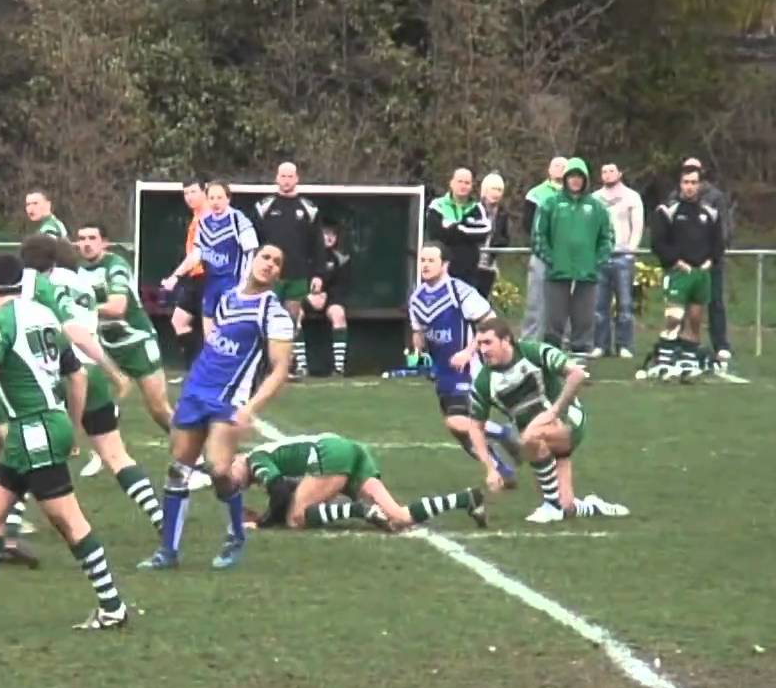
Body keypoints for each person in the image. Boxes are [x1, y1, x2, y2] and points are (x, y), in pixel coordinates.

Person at [0, 253, 129, 630]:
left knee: (69, 522)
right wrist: (73, 427)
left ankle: (113, 607)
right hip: (38, 428)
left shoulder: (0, 321)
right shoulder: (44, 315)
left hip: (33, 431)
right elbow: (76, 377)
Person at [140, 244, 293, 571]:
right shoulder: (228, 297)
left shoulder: (273, 312)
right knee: (178, 469)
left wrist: (251, 407)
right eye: (265, 257)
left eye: (277, 263)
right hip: (197, 389)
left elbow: (280, 369)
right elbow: (214, 342)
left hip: (229, 397)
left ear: (279, 274)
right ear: (253, 260)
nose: (269, 264)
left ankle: (236, 535)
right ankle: (168, 552)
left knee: (218, 469)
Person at [23, 236, 164, 528]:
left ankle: (5, 522)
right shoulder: (83, 285)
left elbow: (69, 331)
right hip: (93, 372)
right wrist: (112, 371)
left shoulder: (33, 284)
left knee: (25, 452)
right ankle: (160, 517)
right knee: (115, 454)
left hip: (52, 374)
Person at [466, 317, 629, 523]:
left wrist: (554, 411)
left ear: (506, 340)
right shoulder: (483, 381)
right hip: (540, 439)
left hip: (568, 420)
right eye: (479, 344)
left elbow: (577, 374)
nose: (483, 349)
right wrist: (490, 469)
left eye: (488, 342)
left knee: (529, 436)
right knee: (567, 506)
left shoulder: (532, 352)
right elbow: (475, 427)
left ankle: (551, 505)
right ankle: (588, 505)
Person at [408, 243, 519, 485]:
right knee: (461, 434)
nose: (425, 265)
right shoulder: (416, 298)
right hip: (443, 374)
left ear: (445, 265)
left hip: (467, 371)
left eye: (430, 260)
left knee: (457, 421)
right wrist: (417, 351)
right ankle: (501, 471)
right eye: (422, 260)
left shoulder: (460, 292)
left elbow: (490, 322)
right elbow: (419, 332)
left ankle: (504, 434)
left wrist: (469, 353)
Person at [234, 433, 486, 532]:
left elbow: (279, 491)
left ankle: (358, 510)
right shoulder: (264, 461)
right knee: (398, 516)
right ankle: (466, 499)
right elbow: (290, 492)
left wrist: (263, 522)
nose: (232, 482)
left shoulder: (255, 458)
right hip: (349, 450)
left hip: (330, 452)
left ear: (236, 459)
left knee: (295, 519)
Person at [76, 223, 174, 433]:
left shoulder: (116, 265)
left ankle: (196, 454)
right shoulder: (78, 272)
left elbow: (117, 307)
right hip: (105, 346)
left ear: (105, 243)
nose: (86, 244)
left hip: (136, 342)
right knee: (78, 384)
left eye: (92, 238)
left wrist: (79, 308)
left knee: (159, 409)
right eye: (82, 239)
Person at [646, 164, 724, 380]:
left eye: (693, 182)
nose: (689, 187)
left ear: (700, 185)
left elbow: (718, 242)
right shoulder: (667, 210)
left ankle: (688, 359)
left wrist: (710, 261)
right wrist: (676, 261)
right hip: (678, 272)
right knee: (674, 317)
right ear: (680, 184)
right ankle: (664, 358)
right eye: (686, 182)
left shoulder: (710, 212)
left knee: (696, 317)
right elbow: (658, 243)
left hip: (702, 272)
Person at [533, 158, 613, 358]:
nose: (575, 181)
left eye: (580, 177)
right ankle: (551, 360)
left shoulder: (597, 207)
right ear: (565, 178)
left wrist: (597, 262)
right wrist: (551, 259)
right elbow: (538, 236)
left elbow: (608, 238)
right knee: (554, 320)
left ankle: (580, 361)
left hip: (587, 274)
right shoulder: (550, 204)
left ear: (585, 179)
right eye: (572, 176)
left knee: (584, 320)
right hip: (557, 273)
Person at [254, 162, 325, 379]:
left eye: (290, 176)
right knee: (265, 319)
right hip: (269, 277)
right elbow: (254, 243)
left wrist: (318, 274)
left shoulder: (309, 209)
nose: (286, 180)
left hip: (298, 274)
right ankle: (263, 365)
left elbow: (318, 244)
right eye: (282, 175)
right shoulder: (263, 207)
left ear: (297, 179)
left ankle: (287, 366)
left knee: (290, 321)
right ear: (276, 178)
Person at [161, 181, 258, 338]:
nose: (215, 202)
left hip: (232, 284)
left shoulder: (238, 220)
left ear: (228, 199)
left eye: (219, 197)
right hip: (211, 283)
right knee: (210, 337)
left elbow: (251, 251)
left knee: (231, 334)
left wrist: (245, 283)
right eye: (211, 197)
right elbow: (196, 254)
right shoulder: (204, 223)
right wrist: (175, 276)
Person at [667, 157, 732, 364]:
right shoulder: (674, 198)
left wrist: (713, 257)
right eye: (686, 178)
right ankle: (679, 343)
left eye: (694, 177)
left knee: (715, 302)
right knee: (680, 306)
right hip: (683, 265)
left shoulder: (715, 197)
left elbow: (722, 229)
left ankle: (721, 344)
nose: (690, 185)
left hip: (710, 263)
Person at [591, 163, 644, 359]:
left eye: (611, 170)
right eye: (604, 171)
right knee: (599, 305)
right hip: (601, 257)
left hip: (623, 256)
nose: (607, 174)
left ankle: (624, 345)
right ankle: (600, 345)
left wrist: (631, 251)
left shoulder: (632, 197)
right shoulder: (595, 199)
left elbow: (637, 226)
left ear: (620, 173)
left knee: (625, 304)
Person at [521, 157, 568, 341]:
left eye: (563, 167)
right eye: (556, 165)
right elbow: (528, 224)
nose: (559, 169)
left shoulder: (574, 194)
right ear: (549, 170)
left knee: (565, 301)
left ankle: (563, 342)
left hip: (567, 255)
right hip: (541, 253)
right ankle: (529, 341)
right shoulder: (535, 193)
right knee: (536, 301)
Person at [170, 178, 210, 378]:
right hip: (195, 278)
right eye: (186, 193)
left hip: (209, 277)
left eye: (193, 191)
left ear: (205, 191)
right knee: (179, 320)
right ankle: (196, 368)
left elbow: (197, 253)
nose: (189, 197)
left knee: (210, 328)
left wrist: (175, 276)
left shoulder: (209, 217)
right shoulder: (196, 216)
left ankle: (209, 372)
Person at [425, 168, 491, 287]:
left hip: (468, 273)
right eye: (460, 181)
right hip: (441, 271)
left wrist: (455, 228)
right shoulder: (437, 205)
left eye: (467, 183)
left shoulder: (477, 208)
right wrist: (466, 228)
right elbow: (436, 235)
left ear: (471, 186)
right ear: (451, 183)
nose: (463, 186)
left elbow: (484, 232)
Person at [302, 225, 351, 375]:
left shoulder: (341, 258)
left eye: (332, 235)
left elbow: (342, 285)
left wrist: (326, 296)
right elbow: (296, 282)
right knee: (293, 313)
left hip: (330, 299)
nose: (329, 238)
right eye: (325, 234)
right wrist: (307, 296)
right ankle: (300, 367)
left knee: (338, 314)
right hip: (306, 298)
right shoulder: (304, 256)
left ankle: (338, 368)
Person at [473, 173, 511, 298]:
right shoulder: (473, 210)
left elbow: (506, 238)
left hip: (489, 266)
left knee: (483, 300)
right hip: (472, 263)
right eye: (493, 189)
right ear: (485, 191)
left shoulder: (503, 214)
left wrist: (497, 243)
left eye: (499, 190)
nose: (496, 193)